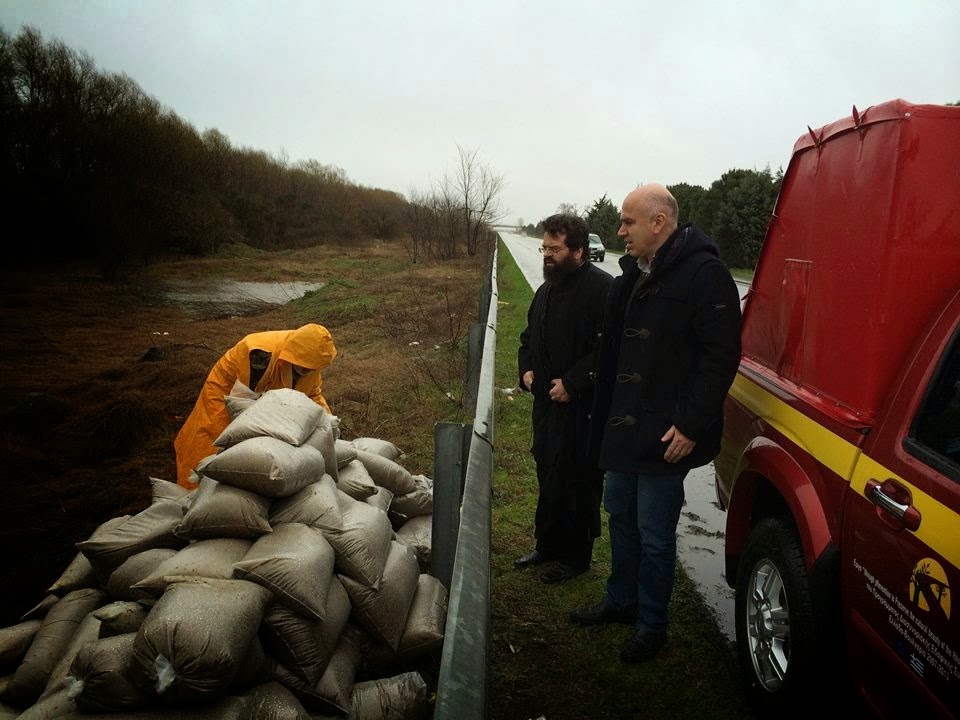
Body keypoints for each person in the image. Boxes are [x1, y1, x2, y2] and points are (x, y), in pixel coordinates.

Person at [570, 184, 741, 662]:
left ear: (658, 223)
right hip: (623, 431)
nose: (619, 229)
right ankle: (620, 601)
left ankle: (651, 625)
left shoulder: (705, 274)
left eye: (627, 221)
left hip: (667, 436)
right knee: (619, 515)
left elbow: (721, 355)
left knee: (653, 531)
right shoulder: (632, 273)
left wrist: (690, 424)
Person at [516, 213, 613, 583]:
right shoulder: (546, 289)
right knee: (548, 473)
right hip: (546, 407)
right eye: (544, 247)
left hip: (582, 411)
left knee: (579, 481)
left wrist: (573, 383)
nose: (546, 255)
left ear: (578, 250)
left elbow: (607, 350)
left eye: (554, 249)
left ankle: (576, 557)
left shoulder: (602, 290)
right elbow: (528, 338)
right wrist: (525, 370)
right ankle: (548, 545)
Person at [174, 323, 337, 488]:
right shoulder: (258, 356)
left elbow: (313, 395)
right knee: (213, 435)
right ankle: (192, 486)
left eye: (312, 368)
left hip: (267, 392)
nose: (308, 371)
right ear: (295, 355)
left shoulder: (312, 362)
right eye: (304, 367)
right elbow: (244, 404)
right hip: (228, 390)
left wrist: (329, 426)